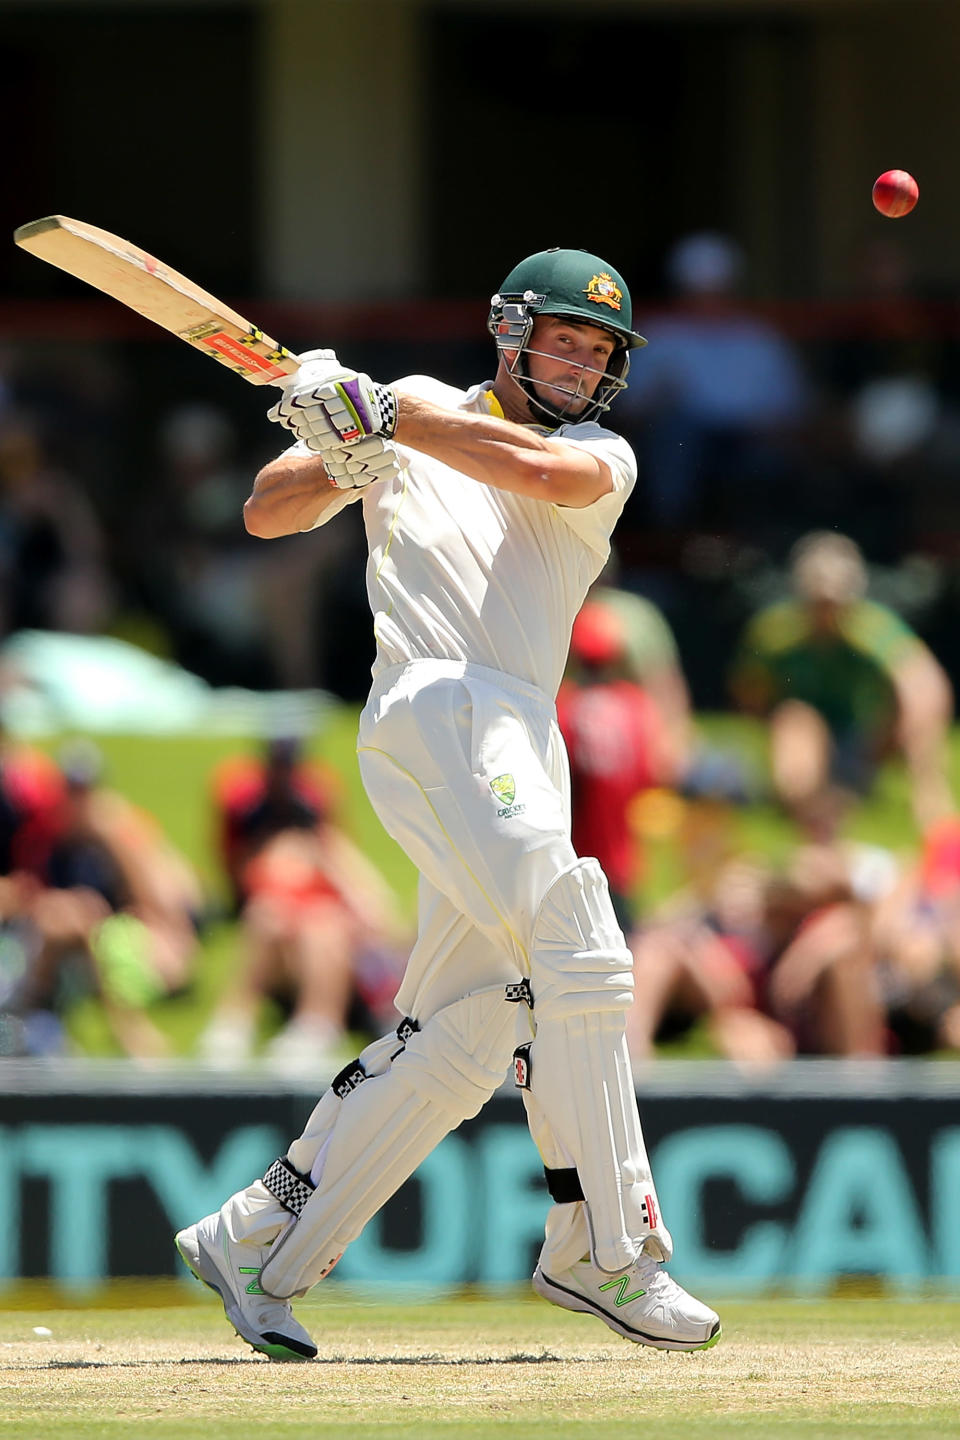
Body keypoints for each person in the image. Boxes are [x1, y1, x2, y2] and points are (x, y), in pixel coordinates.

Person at [174, 246, 721, 1360]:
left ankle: (258, 1242)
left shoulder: (595, 455)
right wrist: (340, 442)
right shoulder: (414, 413)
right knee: (578, 942)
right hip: (437, 709)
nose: (583, 364)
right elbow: (267, 513)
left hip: (517, 729)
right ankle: (609, 1250)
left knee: (470, 1031)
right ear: (511, 332)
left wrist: (383, 414)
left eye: (602, 349)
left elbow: (536, 474)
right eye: (565, 338)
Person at [200, 736, 407, 1064]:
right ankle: (236, 1022)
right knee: (269, 918)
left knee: (323, 925)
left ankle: (317, 1025)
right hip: (284, 947)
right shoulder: (259, 843)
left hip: (337, 957)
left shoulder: (328, 846)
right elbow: (244, 879)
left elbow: (374, 909)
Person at [729, 530, 955, 832]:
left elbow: (927, 687)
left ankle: (926, 792)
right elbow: (749, 692)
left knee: (917, 699)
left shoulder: (870, 627)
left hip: (862, 740)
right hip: (803, 738)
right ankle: (805, 797)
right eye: (818, 600)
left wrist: (906, 747)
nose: (827, 611)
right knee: (796, 720)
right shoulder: (774, 633)